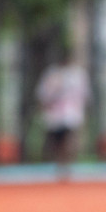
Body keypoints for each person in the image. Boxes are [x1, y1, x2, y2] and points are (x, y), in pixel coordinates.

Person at [38, 49, 88, 178]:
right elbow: (43, 94)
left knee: (69, 139)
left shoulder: (77, 74)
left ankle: (67, 165)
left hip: (71, 114)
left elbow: (84, 94)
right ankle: (60, 165)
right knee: (56, 142)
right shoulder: (51, 74)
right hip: (55, 115)